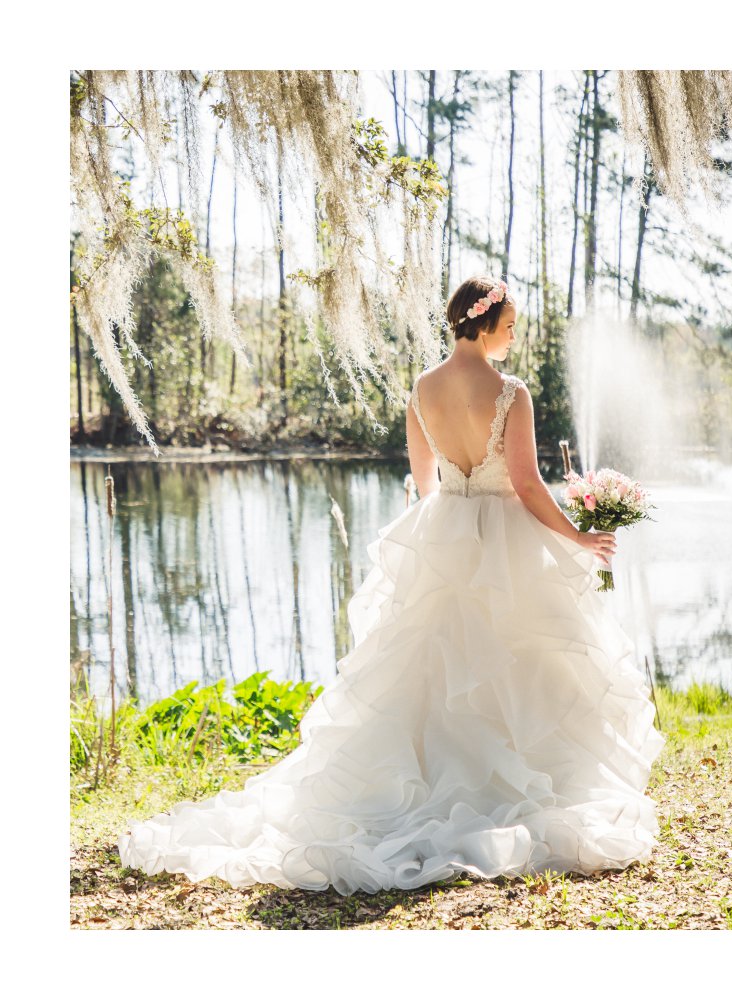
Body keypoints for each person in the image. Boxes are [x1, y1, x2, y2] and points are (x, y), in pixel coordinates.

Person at [120, 277, 663, 895]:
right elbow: (529, 485)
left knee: (430, 667)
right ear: (483, 327)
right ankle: (516, 783)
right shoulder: (511, 393)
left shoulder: (422, 389)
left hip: (445, 531)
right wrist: (580, 540)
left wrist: (452, 527)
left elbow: (424, 482)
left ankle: (431, 777)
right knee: (520, 659)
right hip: (507, 537)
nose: (514, 336)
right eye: (510, 326)